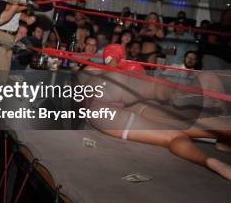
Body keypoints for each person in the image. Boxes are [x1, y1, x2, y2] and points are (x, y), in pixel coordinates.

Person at [82, 45, 231, 180]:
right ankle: (217, 136)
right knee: (173, 112)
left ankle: (211, 161)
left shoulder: (92, 70)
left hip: (97, 106)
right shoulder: (130, 67)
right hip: (119, 89)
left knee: (174, 135)